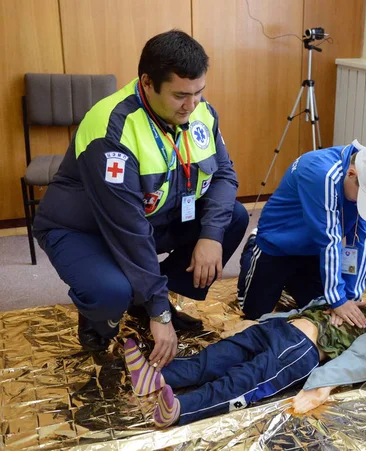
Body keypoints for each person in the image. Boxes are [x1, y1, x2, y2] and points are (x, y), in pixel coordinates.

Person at [33, 30, 249, 368]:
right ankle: (100, 319)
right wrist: (161, 313)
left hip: (152, 217)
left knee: (231, 218)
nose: (191, 106)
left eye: (198, 93)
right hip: (83, 230)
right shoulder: (112, 129)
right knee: (110, 293)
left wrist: (210, 236)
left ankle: (140, 299)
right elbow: (128, 229)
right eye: (180, 96)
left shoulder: (200, 112)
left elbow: (224, 175)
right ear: (147, 83)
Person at [123, 297, 366, 427]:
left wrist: (322, 386)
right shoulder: (360, 309)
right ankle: (159, 378)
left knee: (231, 373)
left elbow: (359, 359)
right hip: (289, 337)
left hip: (293, 341)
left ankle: (180, 404)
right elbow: (360, 357)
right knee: (228, 367)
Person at [238, 138, 366, 327]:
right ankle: (252, 246)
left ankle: (294, 280)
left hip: (313, 250)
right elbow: (330, 241)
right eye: (363, 198)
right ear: (351, 174)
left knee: (321, 313)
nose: (362, 205)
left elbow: (360, 240)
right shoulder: (321, 173)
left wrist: (350, 297)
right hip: (278, 245)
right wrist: (339, 300)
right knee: (253, 315)